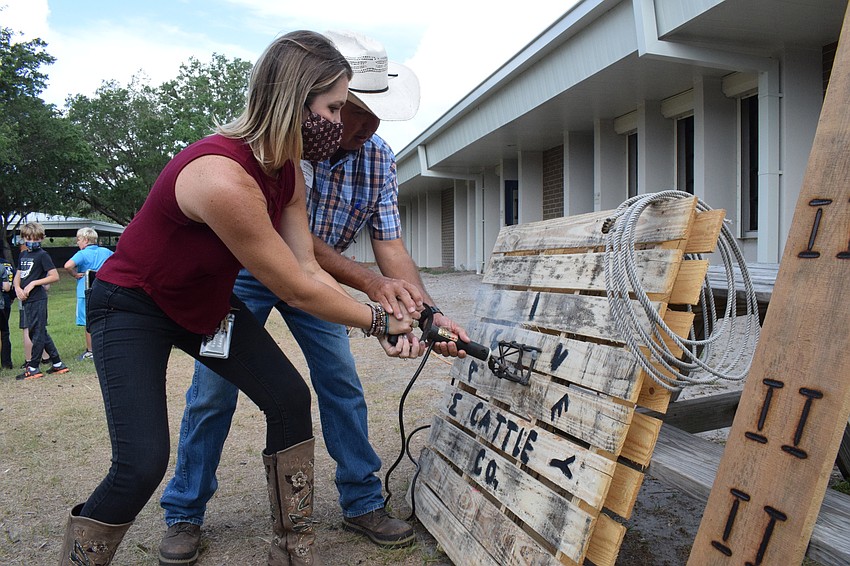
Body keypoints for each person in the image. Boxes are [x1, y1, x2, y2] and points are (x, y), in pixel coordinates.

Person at [58, 30, 422, 566]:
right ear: (295, 104)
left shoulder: (289, 170)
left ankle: (292, 550)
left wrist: (401, 313)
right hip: (135, 306)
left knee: (290, 399)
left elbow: (306, 267)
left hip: (205, 306)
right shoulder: (222, 176)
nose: (342, 123)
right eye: (334, 107)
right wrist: (377, 322)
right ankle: (93, 553)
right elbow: (292, 286)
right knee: (140, 463)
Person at [157, 30, 470, 566]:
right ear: (323, 103)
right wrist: (372, 291)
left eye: (377, 117)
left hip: (314, 284)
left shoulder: (378, 158)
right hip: (244, 275)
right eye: (355, 111)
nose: (369, 126)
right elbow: (288, 246)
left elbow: (389, 246)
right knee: (212, 388)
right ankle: (185, 510)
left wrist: (428, 313)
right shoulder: (281, 150)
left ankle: (362, 500)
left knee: (341, 381)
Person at [13, 222, 70, 380]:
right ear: (24, 238)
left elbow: (54, 276)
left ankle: (33, 367)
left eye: (36, 239)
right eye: (29, 238)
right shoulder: (23, 255)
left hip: (38, 298)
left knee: (36, 333)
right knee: (39, 331)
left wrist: (34, 283)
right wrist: (17, 288)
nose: (33, 241)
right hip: (26, 299)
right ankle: (57, 363)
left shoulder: (42, 255)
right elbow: (19, 274)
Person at [63, 227, 114, 360]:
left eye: (78, 240)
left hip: (85, 290)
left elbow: (68, 265)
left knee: (88, 321)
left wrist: (74, 274)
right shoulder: (106, 251)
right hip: (104, 289)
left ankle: (91, 351)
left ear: (85, 240)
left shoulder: (82, 254)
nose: (78, 243)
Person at [1, 254, 14, 370]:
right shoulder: (6, 265)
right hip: (4, 301)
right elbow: (10, 285)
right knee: (5, 333)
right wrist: (12, 297)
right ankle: (6, 363)